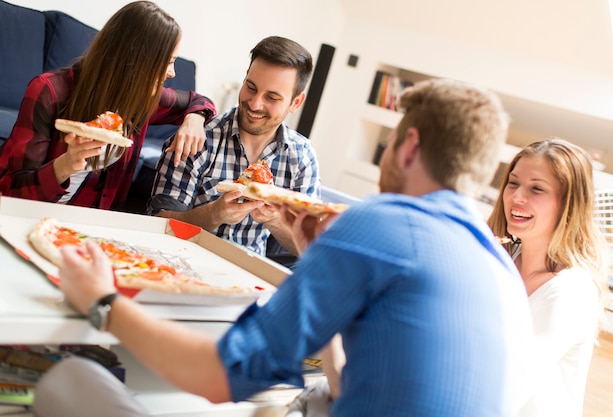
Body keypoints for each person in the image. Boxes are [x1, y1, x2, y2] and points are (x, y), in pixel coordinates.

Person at [34, 78, 532, 417]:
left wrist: (104, 302)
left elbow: (219, 376)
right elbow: (350, 384)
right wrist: (316, 258)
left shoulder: (381, 222)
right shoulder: (502, 269)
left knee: (70, 379)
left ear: (409, 147)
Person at [0, 1, 215, 210]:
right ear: (137, 61)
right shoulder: (49, 91)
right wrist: (64, 165)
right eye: (168, 62)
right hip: (27, 214)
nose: (172, 73)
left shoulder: (141, 99)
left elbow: (199, 101)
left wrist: (195, 119)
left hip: (91, 226)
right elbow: (12, 191)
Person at [147, 36, 319, 256]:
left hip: (249, 277)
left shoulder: (302, 157)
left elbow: (309, 248)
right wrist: (214, 214)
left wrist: (275, 220)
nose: (255, 104)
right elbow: (158, 224)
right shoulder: (199, 137)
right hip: (182, 259)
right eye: (251, 87)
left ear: (295, 103)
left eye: (272, 97)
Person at [487, 138, 609, 417]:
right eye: (513, 183)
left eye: (537, 188)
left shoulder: (570, 293)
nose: (517, 197)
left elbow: (506, 392)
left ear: (569, 204)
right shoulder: (502, 261)